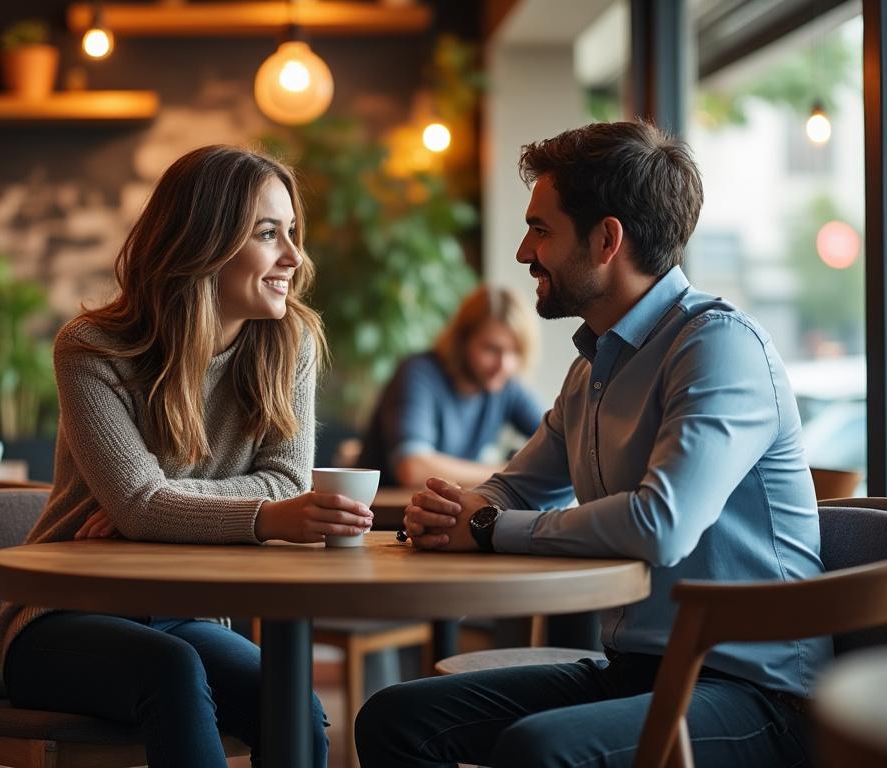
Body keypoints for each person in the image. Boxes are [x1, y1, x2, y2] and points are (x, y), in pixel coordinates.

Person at [355, 121, 831, 767]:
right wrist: (452, 509)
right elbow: (513, 488)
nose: (525, 251)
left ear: (607, 239)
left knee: (536, 750)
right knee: (395, 717)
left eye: (541, 229)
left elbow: (660, 524)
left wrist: (491, 526)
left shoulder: (718, 348)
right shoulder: (592, 367)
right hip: (635, 670)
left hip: (756, 694)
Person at [0, 146, 375, 768]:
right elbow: (149, 504)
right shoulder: (93, 350)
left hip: (184, 616)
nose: (293, 256)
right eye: (267, 233)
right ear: (203, 241)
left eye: (293, 233)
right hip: (63, 617)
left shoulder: (290, 342)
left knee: (293, 710)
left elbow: (283, 480)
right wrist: (248, 516)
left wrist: (159, 508)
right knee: (172, 672)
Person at [358, 285, 543, 489]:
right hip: (384, 517)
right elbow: (412, 468)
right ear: (463, 340)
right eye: (491, 349)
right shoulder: (419, 374)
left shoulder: (505, 385)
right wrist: (512, 471)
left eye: (515, 352)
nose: (504, 365)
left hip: (441, 514)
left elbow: (562, 437)